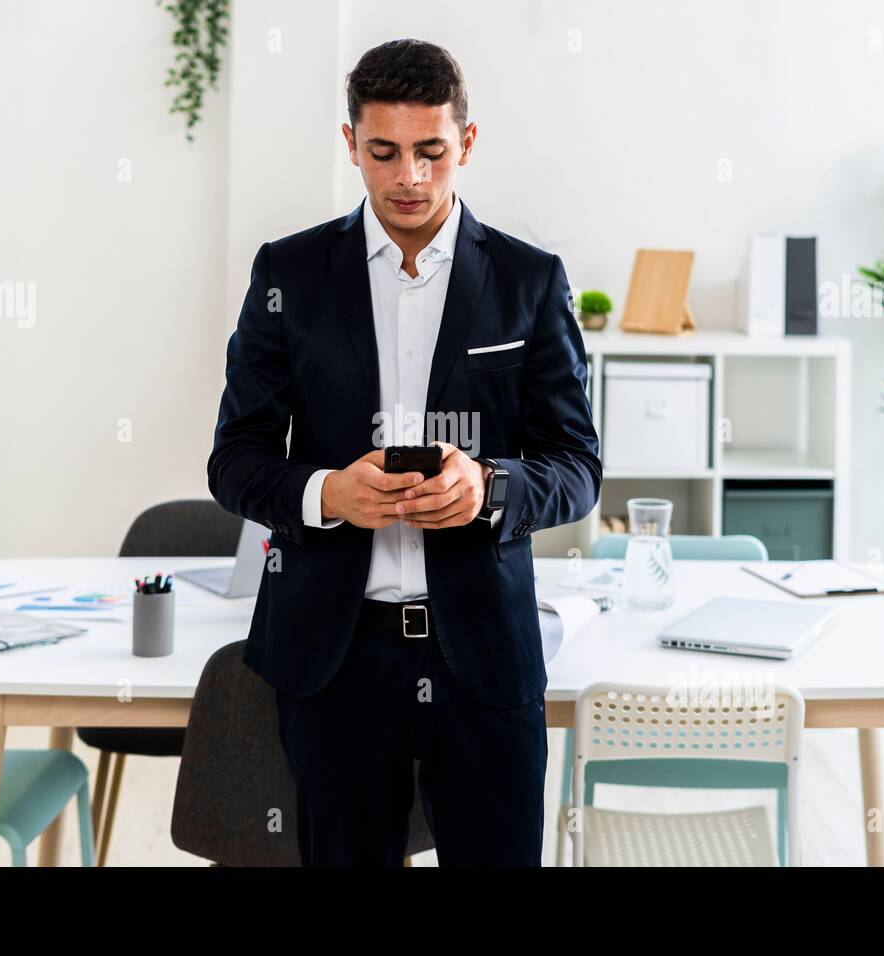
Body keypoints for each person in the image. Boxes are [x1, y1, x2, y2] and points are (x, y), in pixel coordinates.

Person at [207, 37, 601, 865]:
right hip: (334, 657)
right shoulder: (290, 273)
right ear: (351, 143)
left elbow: (575, 465)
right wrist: (325, 494)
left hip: (484, 658)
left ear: (467, 141)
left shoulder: (530, 281)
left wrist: (490, 487)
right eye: (384, 153)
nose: (410, 178)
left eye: (432, 152)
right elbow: (235, 458)